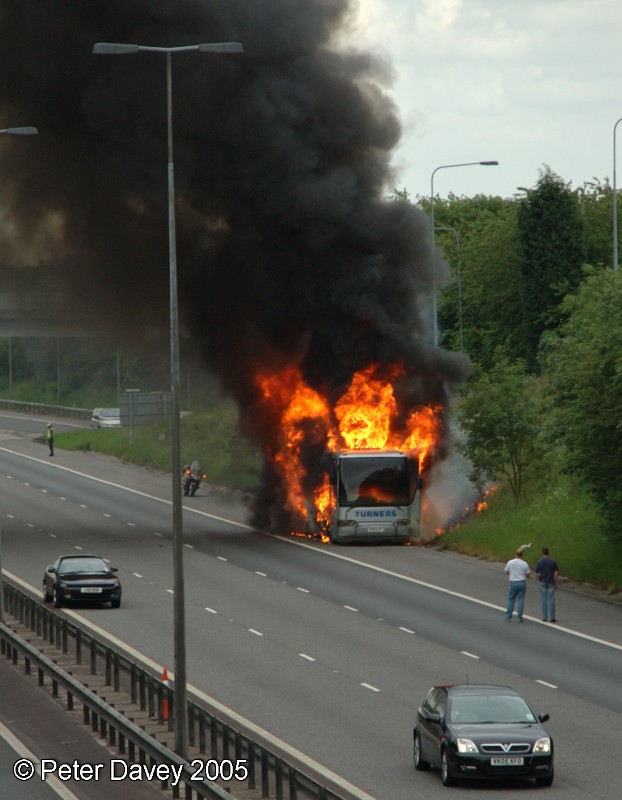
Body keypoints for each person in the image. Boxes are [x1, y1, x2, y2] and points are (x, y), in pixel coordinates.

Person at [504, 549, 531, 622]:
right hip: (521, 582)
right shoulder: (524, 563)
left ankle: (508, 617)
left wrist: (511, 574)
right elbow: (528, 574)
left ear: (515, 554)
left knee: (511, 600)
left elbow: (506, 571)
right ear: (522, 555)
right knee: (520, 600)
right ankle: (519, 617)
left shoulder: (510, 562)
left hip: (513, 582)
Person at [534, 547, 559, 622]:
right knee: (551, 600)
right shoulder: (553, 562)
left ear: (542, 553)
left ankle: (544, 617)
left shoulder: (539, 562)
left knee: (544, 600)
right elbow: (556, 574)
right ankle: (552, 618)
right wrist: (556, 583)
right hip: (551, 582)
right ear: (548, 553)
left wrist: (539, 579)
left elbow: (536, 574)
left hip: (543, 582)